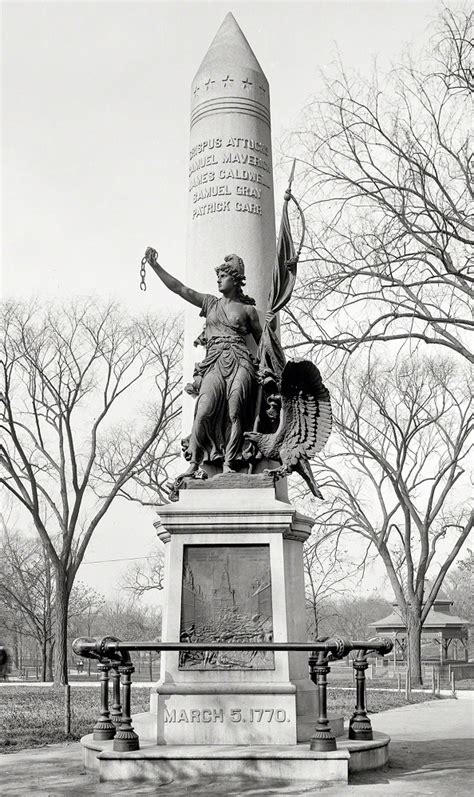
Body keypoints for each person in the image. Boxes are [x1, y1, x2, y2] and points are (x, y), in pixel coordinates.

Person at [144, 248, 262, 474]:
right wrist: (156, 267)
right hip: (215, 361)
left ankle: (230, 462)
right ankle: (194, 463)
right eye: (218, 276)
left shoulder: (248, 310)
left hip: (240, 360)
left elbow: (263, 342)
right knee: (204, 409)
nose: (218, 279)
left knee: (235, 410)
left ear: (235, 280)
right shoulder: (210, 303)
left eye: (223, 276)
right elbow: (180, 289)